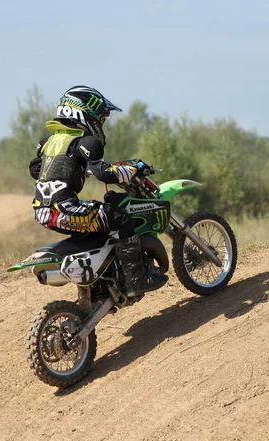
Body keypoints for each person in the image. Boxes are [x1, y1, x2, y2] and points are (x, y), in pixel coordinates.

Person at [28, 85, 167, 297]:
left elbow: (36, 169)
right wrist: (132, 170)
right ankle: (136, 280)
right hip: (65, 209)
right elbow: (105, 173)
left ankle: (101, 280)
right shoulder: (86, 141)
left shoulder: (49, 141)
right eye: (100, 118)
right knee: (121, 220)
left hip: (43, 212)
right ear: (86, 114)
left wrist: (74, 171)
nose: (101, 123)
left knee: (100, 227)